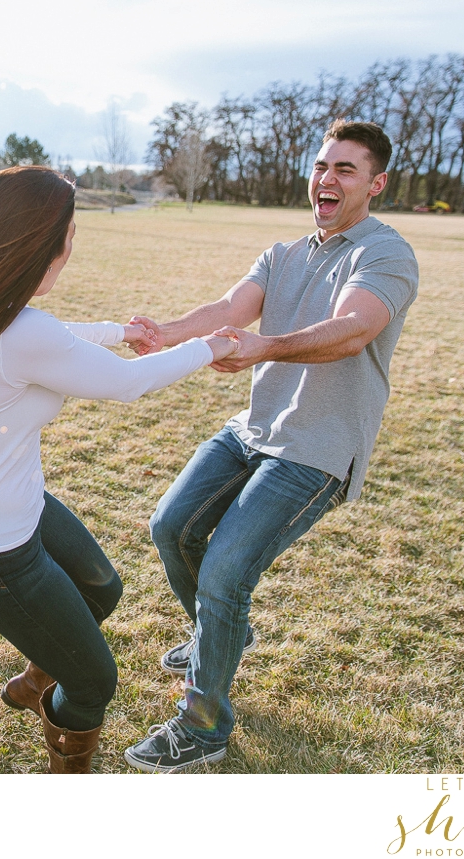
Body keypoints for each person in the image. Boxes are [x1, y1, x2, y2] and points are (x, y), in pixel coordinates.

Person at [0, 166, 236, 772]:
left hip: (13, 507)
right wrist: (213, 345)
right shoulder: (16, 327)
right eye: (69, 233)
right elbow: (127, 383)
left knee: (101, 589)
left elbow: (52, 337)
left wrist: (122, 330)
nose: (71, 248)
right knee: (93, 684)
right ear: (41, 242)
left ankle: (31, 685)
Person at [122, 119, 419, 772]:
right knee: (172, 525)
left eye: (345, 168)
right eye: (321, 165)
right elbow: (232, 306)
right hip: (255, 428)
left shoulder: (383, 252)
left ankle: (203, 728)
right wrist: (164, 332)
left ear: (377, 183)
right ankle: (220, 633)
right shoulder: (283, 253)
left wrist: (266, 345)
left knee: (227, 567)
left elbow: (352, 327)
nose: (327, 178)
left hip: (316, 448)